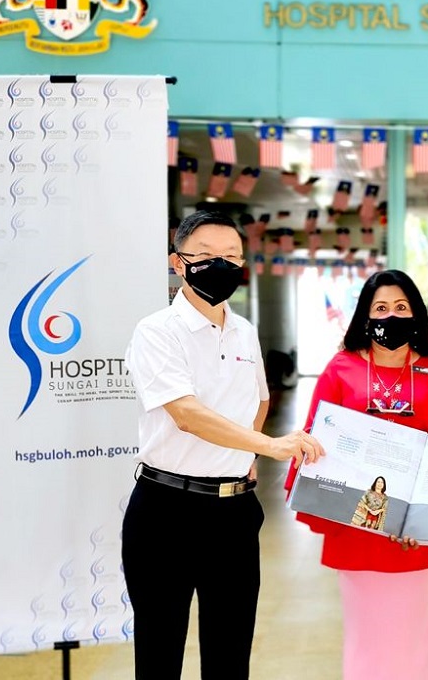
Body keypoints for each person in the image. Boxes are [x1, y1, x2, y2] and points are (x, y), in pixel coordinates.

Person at [122, 210, 324, 680]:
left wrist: (246, 455)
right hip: (165, 510)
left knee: (231, 651)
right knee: (159, 649)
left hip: (233, 513)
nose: (222, 266)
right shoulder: (156, 331)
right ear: (178, 263)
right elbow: (187, 414)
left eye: (232, 256)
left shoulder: (245, 330)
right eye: (207, 256)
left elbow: (260, 397)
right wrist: (268, 446)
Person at [285, 269, 428, 680]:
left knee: (417, 639)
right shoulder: (341, 368)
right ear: (365, 317)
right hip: (358, 530)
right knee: (367, 638)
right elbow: (313, 438)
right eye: (381, 308)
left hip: (416, 534)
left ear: (416, 315)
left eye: (401, 308)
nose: (391, 316)